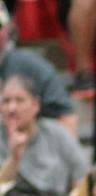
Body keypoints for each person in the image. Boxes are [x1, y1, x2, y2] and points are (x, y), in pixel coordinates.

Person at [0, 74, 89, 196]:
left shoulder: (57, 134)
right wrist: (15, 157)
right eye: (6, 101)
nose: (12, 108)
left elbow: (83, 180)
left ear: (36, 105)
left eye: (19, 100)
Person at [0, 1, 78, 134]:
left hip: (29, 148)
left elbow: (67, 121)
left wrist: (27, 132)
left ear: (8, 29)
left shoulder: (29, 66)